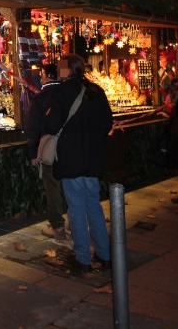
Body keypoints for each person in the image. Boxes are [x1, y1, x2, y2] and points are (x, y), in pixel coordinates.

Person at [52, 54, 113, 273]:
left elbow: (51, 124)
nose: (58, 70)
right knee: (93, 206)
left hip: (71, 158)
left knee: (76, 208)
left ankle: (83, 258)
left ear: (68, 70)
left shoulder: (61, 93)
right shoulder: (96, 91)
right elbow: (107, 123)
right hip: (93, 157)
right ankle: (105, 256)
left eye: (60, 67)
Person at [25, 63, 69, 240]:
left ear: (45, 76)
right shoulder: (68, 93)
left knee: (52, 186)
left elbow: (33, 127)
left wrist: (32, 152)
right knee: (68, 184)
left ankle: (58, 226)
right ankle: (73, 222)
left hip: (49, 148)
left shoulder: (40, 98)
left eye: (42, 75)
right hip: (69, 146)